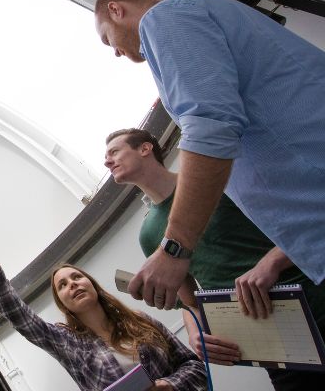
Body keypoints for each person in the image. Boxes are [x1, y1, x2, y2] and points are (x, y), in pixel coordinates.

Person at [93, 0, 325, 311]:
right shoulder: (196, 14)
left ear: (115, 9)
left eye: (107, 39)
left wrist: (175, 248)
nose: (115, 51)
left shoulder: (164, 18)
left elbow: (210, 126)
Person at [105, 127, 325, 389]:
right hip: (276, 346)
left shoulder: (216, 180)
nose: (107, 161)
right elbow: (189, 302)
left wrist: (272, 262)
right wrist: (195, 332)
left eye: (114, 152)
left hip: (316, 304)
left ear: (145, 148)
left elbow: (310, 221)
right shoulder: (150, 234)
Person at [0, 226, 206, 391]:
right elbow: (20, 316)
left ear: (92, 285)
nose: (72, 284)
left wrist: (170, 385)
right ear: (63, 304)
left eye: (76, 277)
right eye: (62, 285)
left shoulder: (140, 320)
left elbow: (195, 366)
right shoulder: (66, 342)